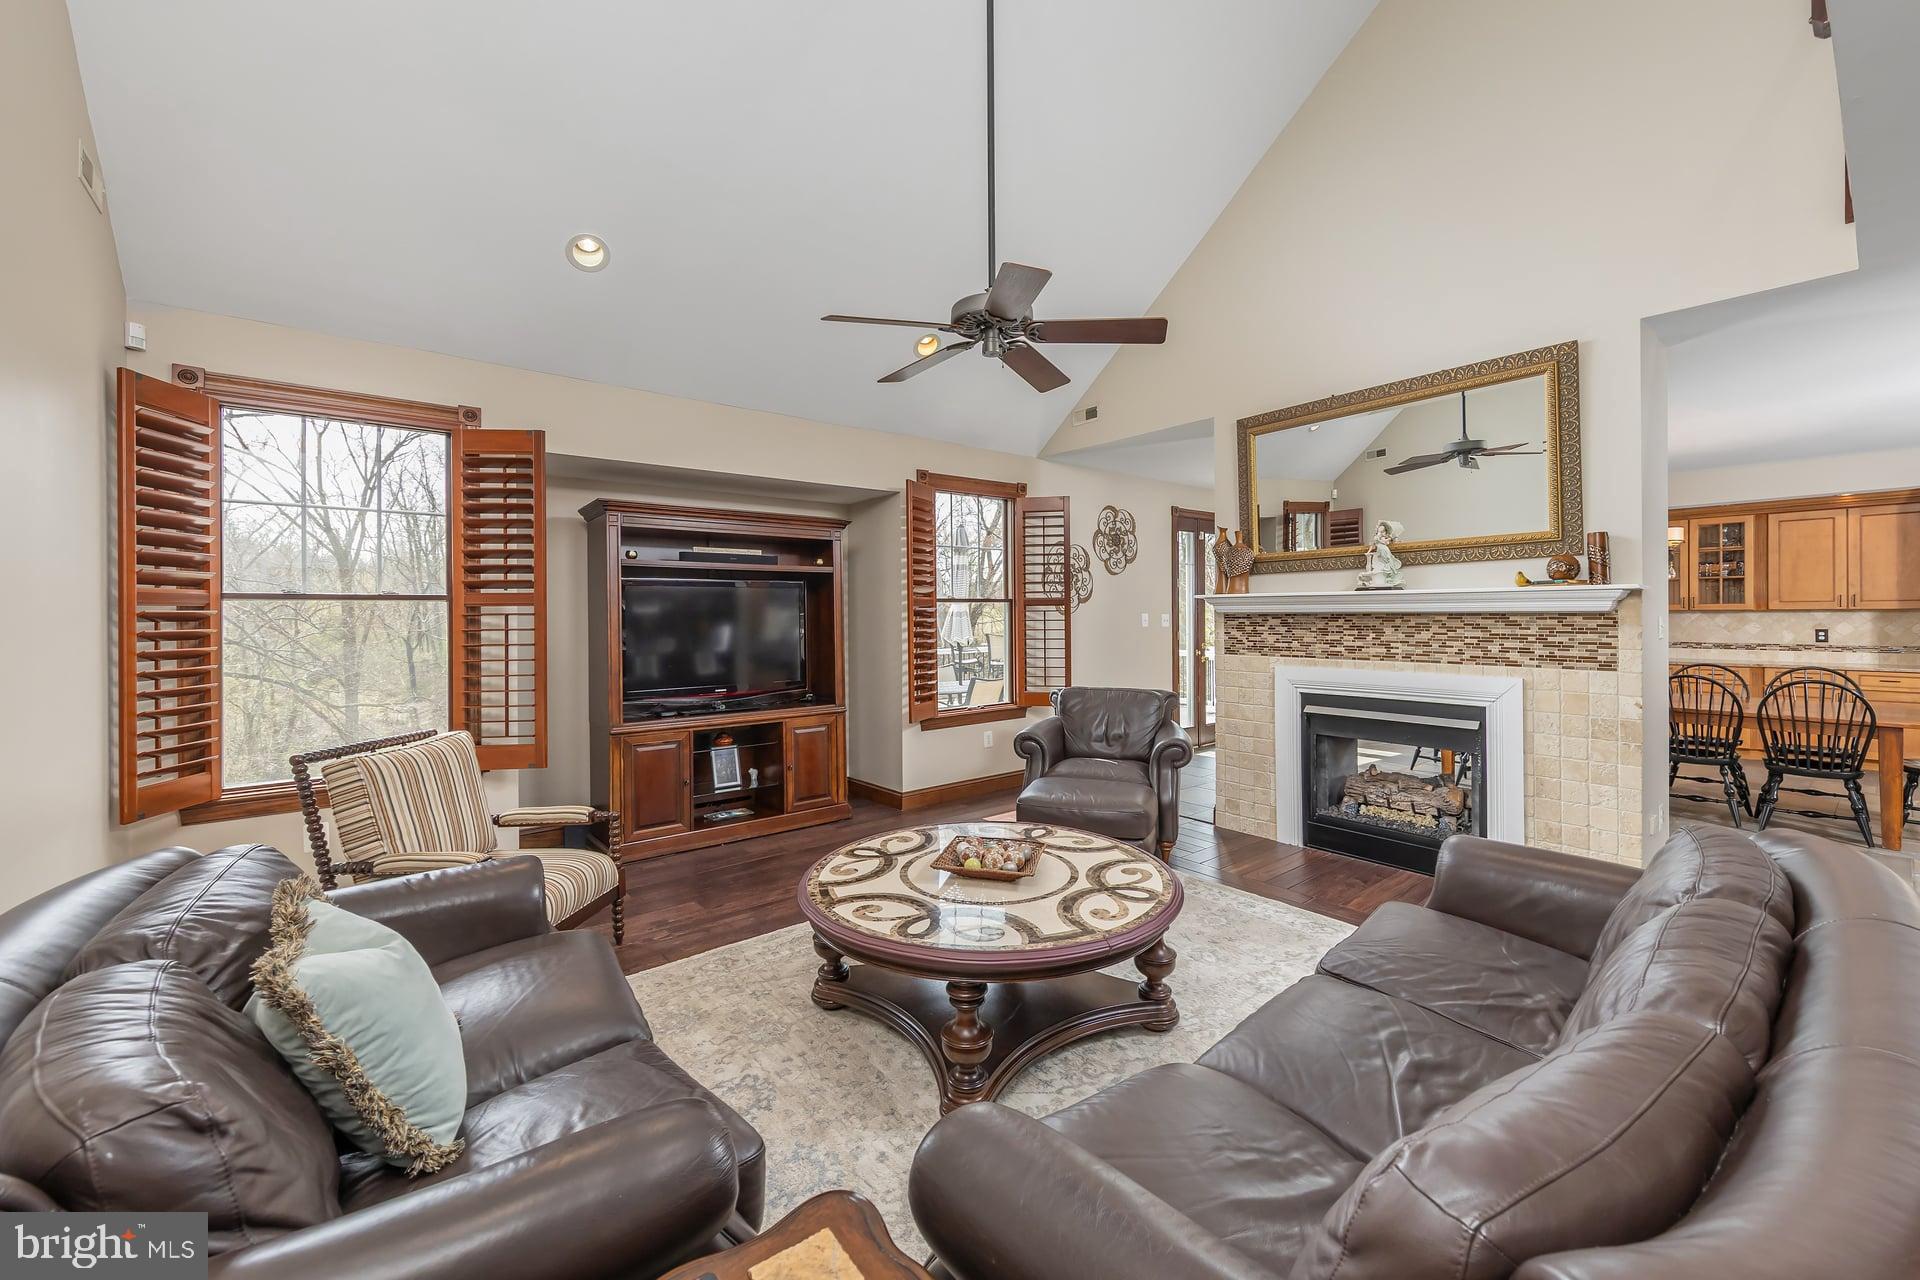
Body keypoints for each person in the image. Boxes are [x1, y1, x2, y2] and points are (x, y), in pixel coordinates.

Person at [1358, 519, 1405, 589]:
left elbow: (1385, 542)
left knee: (1388, 560)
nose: (1380, 532)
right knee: (1385, 561)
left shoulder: (1384, 538)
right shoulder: (1377, 537)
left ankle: (1391, 574)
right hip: (1379, 550)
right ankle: (1389, 573)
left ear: (1385, 531)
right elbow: (1373, 545)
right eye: (1379, 530)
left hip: (1384, 549)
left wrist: (1390, 539)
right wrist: (1368, 552)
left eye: (1382, 531)